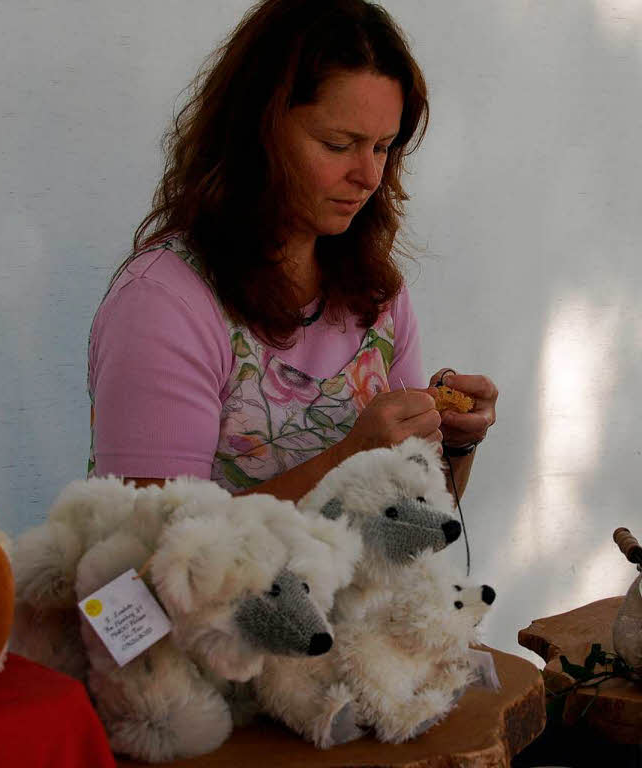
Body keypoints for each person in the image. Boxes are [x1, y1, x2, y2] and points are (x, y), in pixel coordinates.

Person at [87, 0, 497, 502]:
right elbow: (151, 556)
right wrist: (347, 460)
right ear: (258, 130)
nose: (368, 177)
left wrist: (457, 443)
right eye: (337, 144)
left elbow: (417, 524)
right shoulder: (163, 304)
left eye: (382, 146)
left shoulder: (375, 295)